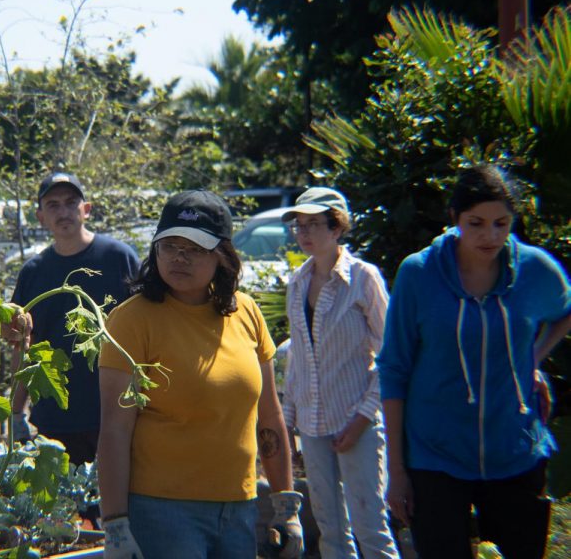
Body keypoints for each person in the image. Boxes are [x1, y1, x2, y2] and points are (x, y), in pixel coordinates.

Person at [377, 164, 571, 559]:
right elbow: (394, 371)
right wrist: (397, 473)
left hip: (514, 450)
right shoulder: (419, 274)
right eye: (476, 223)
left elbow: (565, 309)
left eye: (502, 223)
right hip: (435, 456)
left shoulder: (534, 269)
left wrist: (531, 358)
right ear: (454, 219)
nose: (491, 235)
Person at [97, 190, 303, 559]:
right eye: (170, 246)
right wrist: (115, 526)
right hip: (163, 512)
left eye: (194, 248)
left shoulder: (247, 313)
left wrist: (286, 506)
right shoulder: (131, 320)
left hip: (239, 508)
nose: (179, 257)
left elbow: (270, 414)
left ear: (222, 255)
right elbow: (115, 429)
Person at [281, 187, 400, 558]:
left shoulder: (364, 278)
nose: (304, 233)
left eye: (314, 224)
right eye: (300, 225)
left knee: (371, 527)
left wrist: (364, 418)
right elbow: (298, 358)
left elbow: (392, 357)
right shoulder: (297, 281)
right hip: (313, 425)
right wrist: (287, 420)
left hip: (357, 421)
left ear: (337, 228)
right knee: (331, 531)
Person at [10, 172, 139, 466]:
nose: (63, 211)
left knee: (116, 507)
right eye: (53, 205)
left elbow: (150, 329)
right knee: (66, 510)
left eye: (71, 202)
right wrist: (15, 412)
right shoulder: (33, 272)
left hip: (115, 415)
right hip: (54, 418)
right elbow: (22, 347)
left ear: (86, 209)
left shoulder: (119, 258)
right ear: (40, 217)